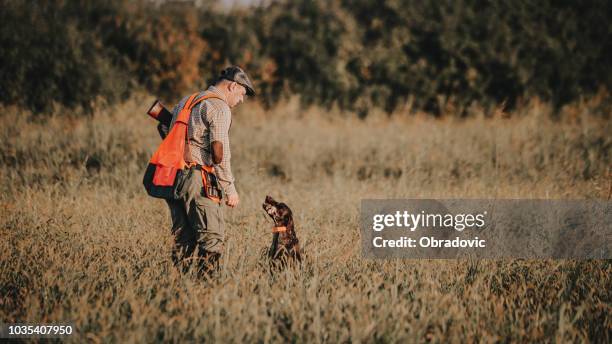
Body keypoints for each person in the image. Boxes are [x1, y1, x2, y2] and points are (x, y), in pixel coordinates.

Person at [159, 66, 255, 276]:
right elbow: (219, 154)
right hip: (198, 178)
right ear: (233, 86)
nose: (241, 101)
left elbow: (166, 131)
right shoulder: (220, 108)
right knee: (211, 238)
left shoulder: (187, 100)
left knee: (183, 238)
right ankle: (207, 289)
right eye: (242, 94)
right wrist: (230, 189)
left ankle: (180, 285)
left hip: (173, 177)